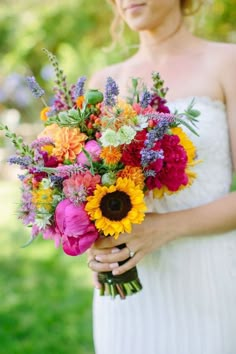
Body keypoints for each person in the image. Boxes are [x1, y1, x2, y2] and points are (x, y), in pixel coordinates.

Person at [87, 1, 236, 353]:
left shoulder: (227, 63)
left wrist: (165, 227)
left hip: (207, 278)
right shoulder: (101, 83)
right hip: (126, 294)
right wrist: (92, 247)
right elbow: (86, 192)